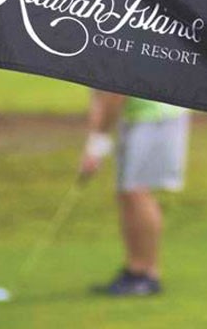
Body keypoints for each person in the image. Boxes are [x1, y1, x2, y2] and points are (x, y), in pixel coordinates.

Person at [80, 90, 190, 296]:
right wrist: (93, 144)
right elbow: (98, 96)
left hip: (156, 115)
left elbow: (113, 95)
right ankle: (134, 268)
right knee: (126, 192)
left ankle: (146, 274)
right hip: (135, 117)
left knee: (137, 191)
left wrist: (98, 143)